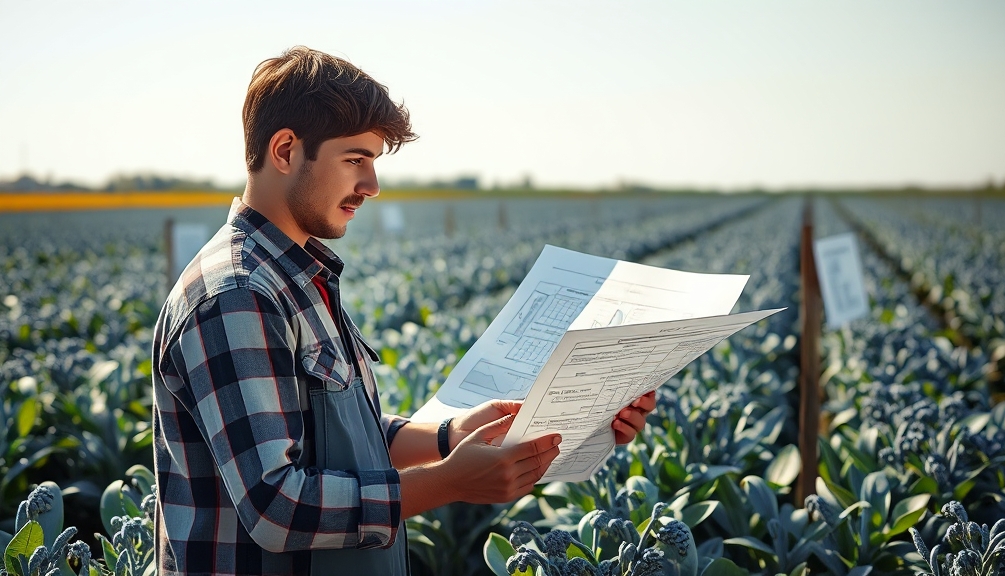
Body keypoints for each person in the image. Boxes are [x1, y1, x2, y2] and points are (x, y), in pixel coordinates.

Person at [151, 45, 657, 576]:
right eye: (355, 160)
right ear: (285, 151)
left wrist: (452, 436)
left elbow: (339, 437)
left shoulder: (294, 275)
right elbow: (279, 507)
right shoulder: (237, 295)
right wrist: (451, 480)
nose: (371, 186)